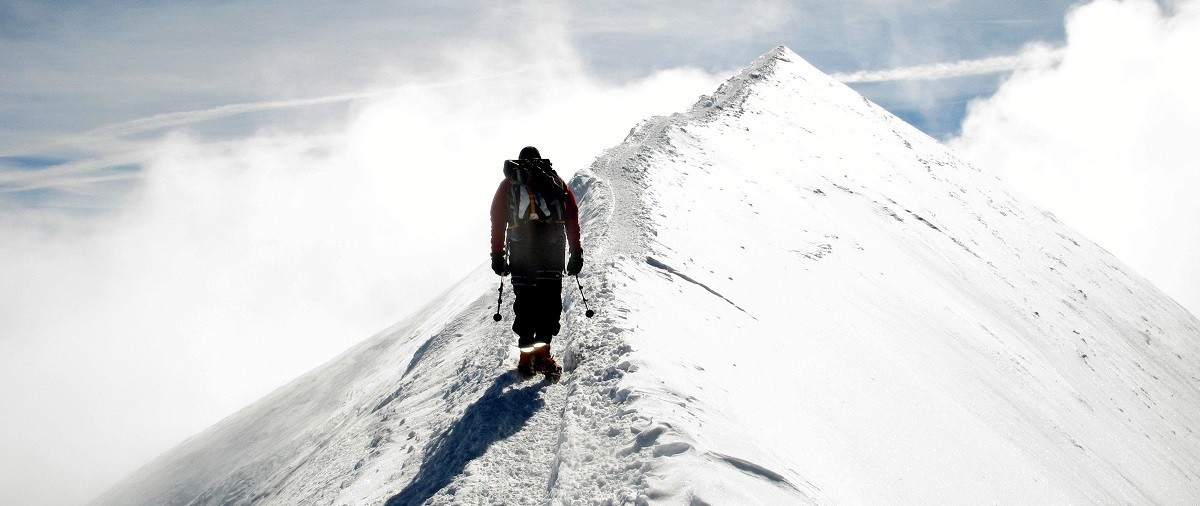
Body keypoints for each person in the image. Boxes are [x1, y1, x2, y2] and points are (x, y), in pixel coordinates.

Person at [490, 146, 583, 377]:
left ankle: (525, 358)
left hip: (521, 248)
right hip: (552, 249)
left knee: (526, 302)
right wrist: (576, 251)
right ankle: (543, 356)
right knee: (549, 303)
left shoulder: (509, 184)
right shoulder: (556, 181)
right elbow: (571, 217)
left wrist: (497, 254)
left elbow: (498, 218)